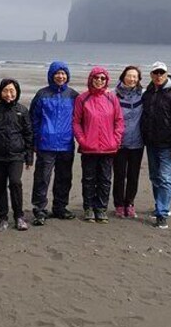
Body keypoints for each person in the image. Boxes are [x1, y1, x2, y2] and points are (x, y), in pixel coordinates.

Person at [29, 61, 80, 225]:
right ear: (51, 75)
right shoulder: (42, 94)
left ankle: (60, 207)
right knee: (42, 178)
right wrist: (36, 140)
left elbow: (80, 119)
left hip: (66, 143)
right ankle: (40, 209)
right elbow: (34, 119)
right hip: (46, 143)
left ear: (67, 76)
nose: (60, 76)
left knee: (64, 178)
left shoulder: (73, 95)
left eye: (63, 73)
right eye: (57, 73)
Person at [73, 66, 124, 223]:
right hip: (89, 148)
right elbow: (76, 122)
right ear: (91, 79)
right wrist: (83, 140)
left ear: (106, 81)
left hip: (108, 148)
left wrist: (115, 140)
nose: (99, 81)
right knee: (88, 179)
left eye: (102, 78)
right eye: (96, 78)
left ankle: (101, 209)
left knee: (105, 179)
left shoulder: (112, 98)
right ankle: (88, 208)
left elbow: (119, 121)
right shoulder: (83, 99)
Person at [141, 61, 171, 229]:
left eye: (162, 73)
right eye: (155, 73)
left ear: (167, 75)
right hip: (151, 144)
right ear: (151, 75)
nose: (159, 76)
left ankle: (162, 213)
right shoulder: (148, 94)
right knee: (155, 177)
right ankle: (158, 205)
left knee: (165, 178)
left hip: (168, 146)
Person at [0, 78, 34, 231]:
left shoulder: (22, 110)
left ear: (17, 92)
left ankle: (19, 216)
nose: (8, 94)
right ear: (0, 92)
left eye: (12, 91)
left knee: (15, 182)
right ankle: (2, 218)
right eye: (5, 91)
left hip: (16, 155)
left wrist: (29, 156)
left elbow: (28, 134)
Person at [113, 65, 144, 219]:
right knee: (119, 175)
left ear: (138, 79)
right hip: (119, 142)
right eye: (129, 75)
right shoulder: (113, 95)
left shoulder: (143, 95)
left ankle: (129, 204)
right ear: (123, 76)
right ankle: (118, 205)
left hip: (137, 142)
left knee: (133, 175)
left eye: (135, 77)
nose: (131, 79)